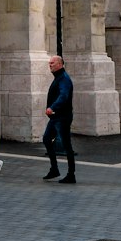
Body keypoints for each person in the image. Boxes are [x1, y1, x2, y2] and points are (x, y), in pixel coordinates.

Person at [43, 54, 76, 183]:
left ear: (60, 64)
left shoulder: (64, 79)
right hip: (56, 117)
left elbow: (63, 96)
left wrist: (52, 107)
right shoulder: (58, 77)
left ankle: (71, 174)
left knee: (67, 145)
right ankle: (54, 169)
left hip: (62, 117)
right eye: (49, 63)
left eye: (52, 63)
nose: (50, 65)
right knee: (46, 139)